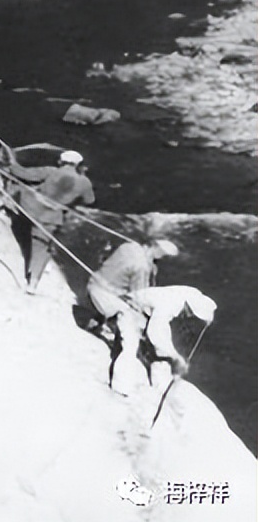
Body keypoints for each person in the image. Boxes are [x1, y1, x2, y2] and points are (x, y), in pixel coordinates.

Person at [87, 238, 195, 392]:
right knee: (132, 331)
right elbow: (139, 298)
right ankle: (121, 385)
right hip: (103, 298)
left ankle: (96, 321)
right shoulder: (142, 267)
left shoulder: (129, 246)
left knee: (122, 295)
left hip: (93, 284)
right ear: (158, 254)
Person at [13, 151, 95, 293]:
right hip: (51, 217)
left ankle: (5, 207)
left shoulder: (50, 171)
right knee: (41, 246)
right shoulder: (84, 182)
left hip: (31, 208)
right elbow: (90, 200)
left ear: (61, 162)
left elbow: (23, 174)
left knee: (17, 190)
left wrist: (11, 162)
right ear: (77, 165)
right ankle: (33, 283)